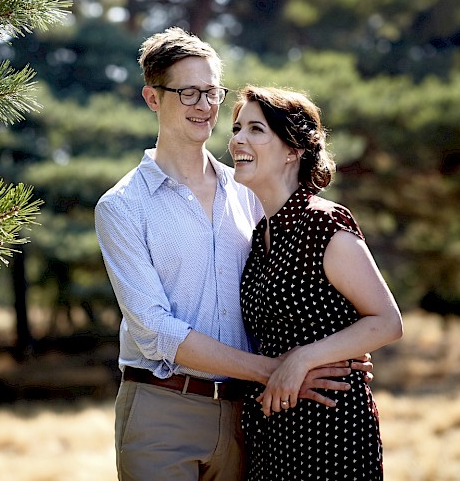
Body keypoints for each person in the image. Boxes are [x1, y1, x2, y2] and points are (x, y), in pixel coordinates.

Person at [95, 27, 372, 481]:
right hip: (163, 410)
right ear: (152, 98)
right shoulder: (122, 207)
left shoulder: (248, 191)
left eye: (211, 92)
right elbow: (155, 330)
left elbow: (298, 280)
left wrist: (335, 351)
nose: (204, 107)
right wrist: (275, 370)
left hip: (253, 418)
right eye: (188, 93)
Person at [229, 85, 404, 480]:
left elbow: (387, 321)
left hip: (330, 431)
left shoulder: (324, 223)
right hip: (272, 432)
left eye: (256, 129)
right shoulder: (261, 236)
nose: (237, 138)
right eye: (237, 128)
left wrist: (303, 358)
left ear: (293, 150)